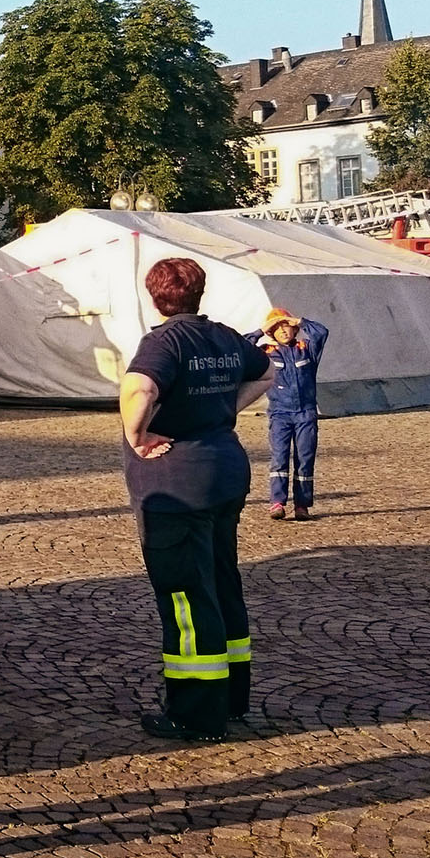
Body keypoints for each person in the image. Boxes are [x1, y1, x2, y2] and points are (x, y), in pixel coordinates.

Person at [116, 257, 272, 744]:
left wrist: (136, 434)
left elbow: (139, 386)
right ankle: (232, 699)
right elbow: (266, 373)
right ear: (198, 292)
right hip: (225, 473)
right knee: (222, 580)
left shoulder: (163, 341)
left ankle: (195, 712)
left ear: (154, 295)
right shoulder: (225, 336)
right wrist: (224, 409)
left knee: (185, 596)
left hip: (178, 482)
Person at [244, 308, 328, 521]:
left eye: (285, 326)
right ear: (271, 332)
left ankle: (302, 505)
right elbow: (241, 348)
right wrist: (260, 331)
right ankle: (277, 502)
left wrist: (299, 320)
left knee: (305, 459)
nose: (283, 331)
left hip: (306, 414)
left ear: (293, 328)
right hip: (280, 414)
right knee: (279, 458)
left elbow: (321, 332)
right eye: (276, 328)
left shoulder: (306, 348)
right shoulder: (267, 352)